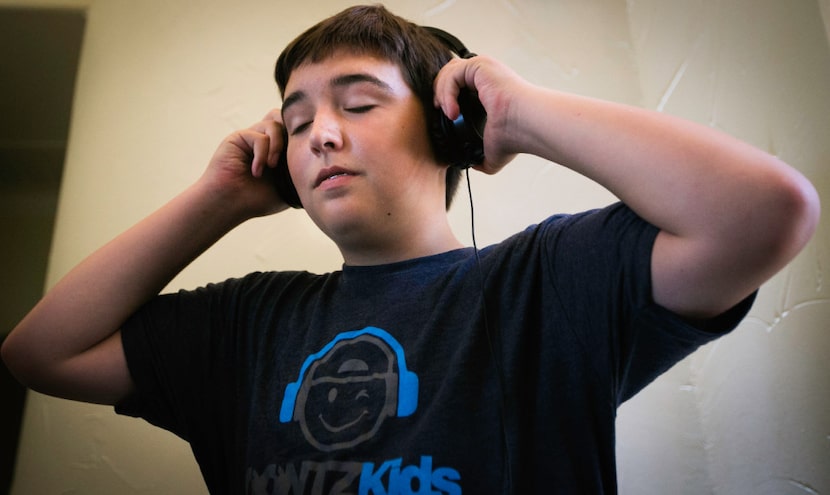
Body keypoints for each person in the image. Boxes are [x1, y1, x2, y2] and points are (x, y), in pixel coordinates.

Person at [1, 4, 820, 494]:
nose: (319, 133)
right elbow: (41, 351)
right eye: (294, 121)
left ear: (445, 130)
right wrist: (218, 198)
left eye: (358, 103)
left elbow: (765, 210)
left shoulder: (545, 286)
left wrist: (524, 114)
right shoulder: (248, 322)